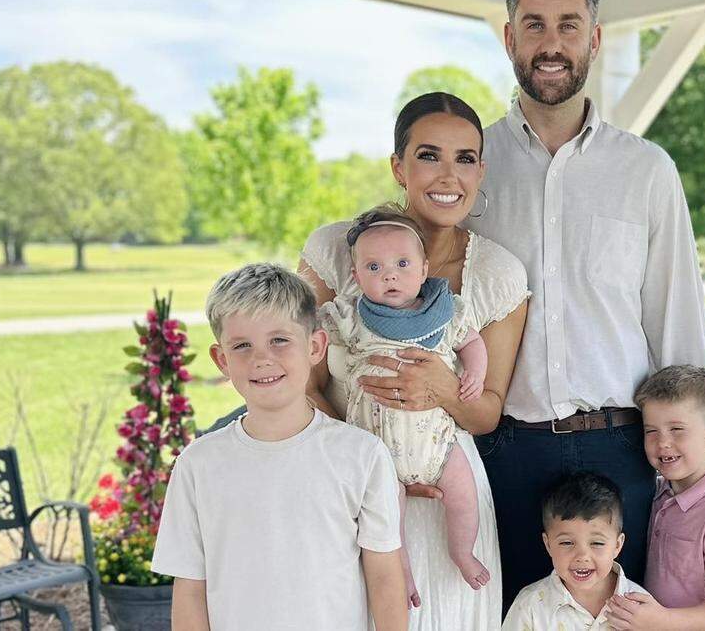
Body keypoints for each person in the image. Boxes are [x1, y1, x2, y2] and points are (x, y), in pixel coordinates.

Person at [468, 0, 705, 606]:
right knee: (514, 618)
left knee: (628, 623)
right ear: (509, 35)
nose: (552, 44)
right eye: (535, 25)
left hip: (624, 455)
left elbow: (678, 323)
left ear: (595, 37)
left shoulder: (647, 172)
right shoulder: (470, 167)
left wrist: (702, 465)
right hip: (505, 455)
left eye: (568, 25)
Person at [300, 91, 530, 629]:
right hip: (351, 485)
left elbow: (487, 411)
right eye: (428, 156)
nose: (448, 176)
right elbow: (301, 384)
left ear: (480, 171)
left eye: (465, 158)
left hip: (447, 485)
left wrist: (443, 387)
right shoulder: (337, 250)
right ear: (398, 167)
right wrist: (365, 466)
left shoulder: (498, 275)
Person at [152, 263, 407, 631]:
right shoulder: (198, 465)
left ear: (316, 346)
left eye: (279, 340)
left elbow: (384, 576)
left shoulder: (361, 455)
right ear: (221, 360)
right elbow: (190, 588)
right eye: (242, 346)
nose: (262, 358)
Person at [320, 205, 490, 606]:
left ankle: (462, 551)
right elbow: (323, 341)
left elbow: (473, 343)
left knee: (464, 495)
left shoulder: (445, 311)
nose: (389, 275)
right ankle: (403, 574)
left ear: (424, 266)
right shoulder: (353, 316)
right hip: (377, 452)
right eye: (374, 268)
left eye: (401, 263)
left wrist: (475, 375)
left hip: (438, 446)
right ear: (357, 276)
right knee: (386, 521)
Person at [607, 366, 705, 631]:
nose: (662, 443)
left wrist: (660, 621)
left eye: (676, 429)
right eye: (651, 431)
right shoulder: (657, 495)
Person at [503, 472, 647, 631]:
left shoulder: (641, 607)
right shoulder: (529, 605)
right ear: (548, 544)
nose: (582, 556)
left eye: (597, 543)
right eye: (567, 542)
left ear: (617, 545)